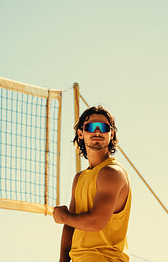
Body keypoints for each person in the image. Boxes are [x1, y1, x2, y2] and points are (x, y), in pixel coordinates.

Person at [53, 105, 131, 262]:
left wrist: (63, 216)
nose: (97, 131)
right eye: (90, 127)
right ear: (80, 134)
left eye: (103, 127)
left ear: (111, 134)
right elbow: (69, 228)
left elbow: (96, 222)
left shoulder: (112, 172)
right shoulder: (79, 178)